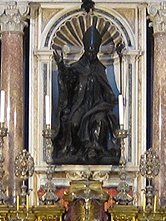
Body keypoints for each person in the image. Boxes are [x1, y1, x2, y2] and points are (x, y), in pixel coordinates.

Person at [51, 25, 120, 165]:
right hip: (80, 105)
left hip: (97, 106)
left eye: (94, 49)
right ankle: (73, 151)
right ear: (85, 49)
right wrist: (61, 65)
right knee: (74, 123)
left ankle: (94, 149)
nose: (91, 52)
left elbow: (106, 88)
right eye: (89, 49)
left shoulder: (100, 68)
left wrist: (111, 97)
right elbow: (67, 79)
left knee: (100, 121)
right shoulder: (78, 67)